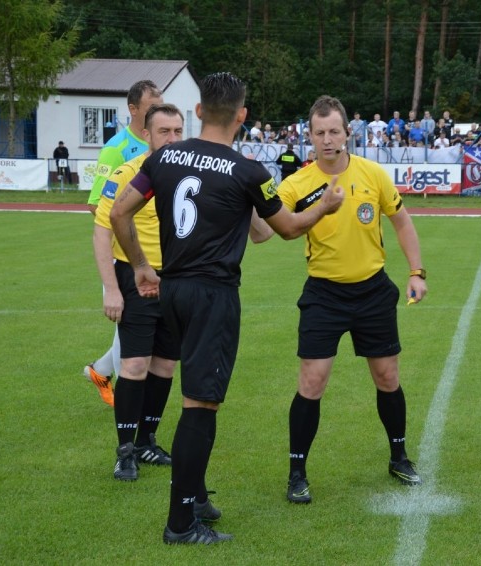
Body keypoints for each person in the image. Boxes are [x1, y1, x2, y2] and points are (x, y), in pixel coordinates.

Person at [110, 72, 344, 545]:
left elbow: (118, 212)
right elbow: (289, 228)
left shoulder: (164, 156)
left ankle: (194, 497)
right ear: (242, 116)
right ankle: (180, 524)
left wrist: (139, 267)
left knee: (190, 395)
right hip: (211, 296)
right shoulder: (247, 171)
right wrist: (325, 206)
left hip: (170, 287)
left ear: (197, 112)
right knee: (200, 405)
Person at [275, 95, 427, 505]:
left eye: (334, 131)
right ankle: (297, 472)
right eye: (319, 132)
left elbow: (402, 221)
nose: (327, 139)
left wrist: (416, 272)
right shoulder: (297, 184)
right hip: (323, 294)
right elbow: (267, 228)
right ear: (309, 136)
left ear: (347, 133)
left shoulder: (373, 175)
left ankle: (399, 457)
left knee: (387, 377)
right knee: (312, 381)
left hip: (373, 290)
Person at [93, 103, 184, 483]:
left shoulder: (186, 174)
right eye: (165, 131)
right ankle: (125, 451)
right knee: (133, 365)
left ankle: (147, 440)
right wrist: (112, 289)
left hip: (177, 281)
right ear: (146, 134)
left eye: (179, 131)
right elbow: (102, 232)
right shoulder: (127, 174)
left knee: (165, 365)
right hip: (135, 279)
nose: (173, 139)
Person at [84, 80, 164, 407]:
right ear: (134, 109)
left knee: (134, 335)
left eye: (161, 99)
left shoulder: (162, 145)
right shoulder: (116, 148)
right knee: (129, 337)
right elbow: (96, 204)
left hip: (157, 262)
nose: (159, 105)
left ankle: (100, 371)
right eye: (152, 102)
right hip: (124, 263)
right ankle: (127, 406)